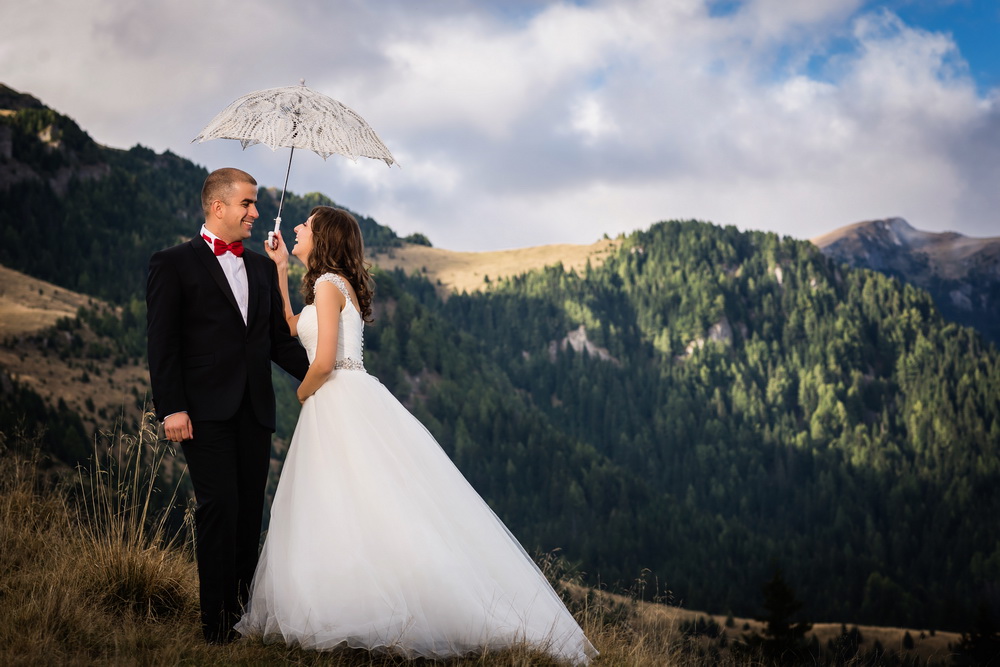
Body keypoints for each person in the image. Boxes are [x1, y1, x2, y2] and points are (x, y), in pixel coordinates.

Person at [235, 206, 597, 664]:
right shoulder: (329, 286)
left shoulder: (328, 286)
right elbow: (292, 327)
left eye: (305, 225)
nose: (297, 228)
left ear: (323, 237)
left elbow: (322, 362)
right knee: (357, 500)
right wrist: (281, 268)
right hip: (350, 396)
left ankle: (349, 605)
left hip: (334, 397)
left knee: (339, 499)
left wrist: (303, 394)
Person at [146, 167, 310, 644]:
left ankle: (240, 614)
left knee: (247, 514)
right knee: (219, 507)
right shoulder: (172, 263)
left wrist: (329, 375)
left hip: (255, 411)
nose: (256, 213)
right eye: (247, 204)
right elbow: (163, 343)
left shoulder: (260, 267)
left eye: (256, 204)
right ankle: (215, 626)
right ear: (218, 207)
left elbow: (278, 342)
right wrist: (171, 408)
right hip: (202, 412)